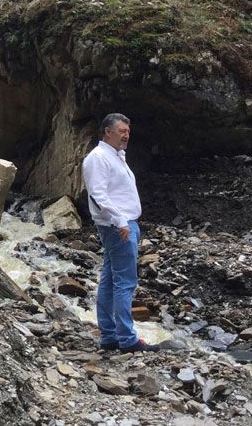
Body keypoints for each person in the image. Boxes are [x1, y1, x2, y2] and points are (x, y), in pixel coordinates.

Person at [81, 113, 158, 353]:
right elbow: (98, 193)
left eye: (127, 131)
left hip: (120, 224)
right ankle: (128, 339)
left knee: (109, 280)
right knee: (125, 282)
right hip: (118, 226)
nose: (126, 135)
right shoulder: (98, 158)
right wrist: (121, 221)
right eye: (122, 131)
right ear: (107, 131)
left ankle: (110, 336)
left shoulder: (116, 156)